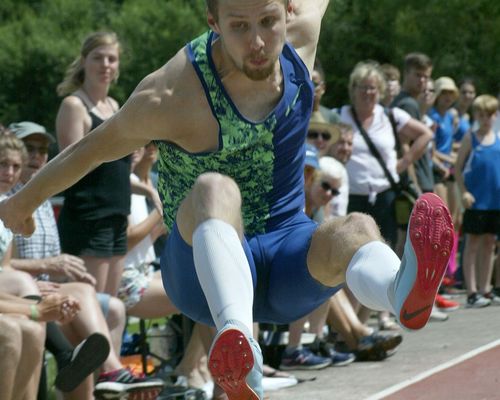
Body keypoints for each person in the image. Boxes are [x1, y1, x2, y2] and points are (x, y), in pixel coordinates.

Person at [0, 2, 454, 399]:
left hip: (283, 258)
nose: (257, 41)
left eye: (268, 21)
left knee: (354, 228)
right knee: (215, 188)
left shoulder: (301, 35)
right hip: (199, 269)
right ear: (213, 22)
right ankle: (240, 344)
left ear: (290, 10)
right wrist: (22, 202)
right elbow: (92, 147)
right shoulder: (172, 92)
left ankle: (401, 290)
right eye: (239, 26)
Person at [6, 122, 165, 399]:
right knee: (80, 301)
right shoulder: (11, 201)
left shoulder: (38, 197)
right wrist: (44, 270)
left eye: (43, 150)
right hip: (25, 292)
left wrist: (151, 192)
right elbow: (9, 269)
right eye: (28, 149)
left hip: (41, 288)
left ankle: (106, 377)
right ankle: (108, 373)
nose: (36, 156)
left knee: (108, 305)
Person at [55, 31, 131, 296]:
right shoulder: (74, 106)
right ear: (84, 61)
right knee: (92, 304)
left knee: (114, 308)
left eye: (112, 59)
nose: (106, 65)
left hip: (117, 217)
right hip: (88, 218)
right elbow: (71, 166)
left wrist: (150, 191)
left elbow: (117, 170)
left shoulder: (115, 106)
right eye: (98, 58)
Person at [455, 95, 500, 308]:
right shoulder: (470, 138)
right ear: (476, 116)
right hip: (476, 199)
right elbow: (457, 168)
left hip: (495, 200)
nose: (486, 119)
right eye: (481, 115)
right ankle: (471, 292)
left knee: (490, 243)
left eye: (490, 115)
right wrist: (464, 191)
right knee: (472, 244)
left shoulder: (499, 138)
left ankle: (485, 289)